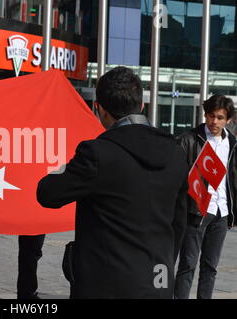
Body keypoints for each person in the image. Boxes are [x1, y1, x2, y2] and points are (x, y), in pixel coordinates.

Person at [37, 66, 188, 298]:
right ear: (142, 106)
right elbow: (179, 221)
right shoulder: (177, 153)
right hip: (159, 282)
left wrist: (64, 167)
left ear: (100, 110)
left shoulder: (97, 153)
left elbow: (47, 193)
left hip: (105, 283)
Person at [174, 95, 237, 299]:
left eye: (220, 117)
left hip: (222, 212)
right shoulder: (190, 139)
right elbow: (175, 176)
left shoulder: (233, 142)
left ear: (228, 119)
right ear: (205, 115)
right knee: (187, 266)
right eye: (211, 116)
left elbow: (233, 177)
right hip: (196, 211)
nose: (214, 122)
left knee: (210, 267)